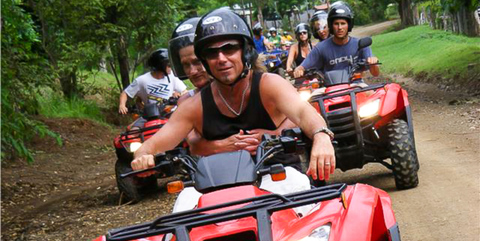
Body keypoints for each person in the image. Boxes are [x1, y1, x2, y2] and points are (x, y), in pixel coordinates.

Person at [132, 8, 335, 186]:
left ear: (245, 52)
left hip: (279, 175)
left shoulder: (268, 84)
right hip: (217, 188)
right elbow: (156, 144)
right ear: (206, 61)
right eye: (212, 53)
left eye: (229, 48)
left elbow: (302, 112)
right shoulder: (195, 105)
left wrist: (321, 135)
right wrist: (142, 156)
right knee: (183, 209)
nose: (221, 59)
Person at [294, 2, 379, 79]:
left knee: (375, 95)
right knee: (310, 96)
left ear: (349, 25)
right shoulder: (320, 48)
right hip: (329, 90)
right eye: (336, 24)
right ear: (331, 26)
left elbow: (375, 74)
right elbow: (302, 67)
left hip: (356, 86)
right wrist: (299, 70)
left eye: (343, 23)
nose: (340, 28)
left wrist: (373, 63)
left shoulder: (360, 44)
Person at [118, 49, 187, 125]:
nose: (171, 67)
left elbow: (185, 91)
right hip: (149, 116)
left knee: (186, 129)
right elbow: (125, 93)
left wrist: (180, 96)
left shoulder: (172, 77)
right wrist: (122, 105)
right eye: (169, 65)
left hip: (170, 114)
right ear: (160, 65)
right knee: (132, 132)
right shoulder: (142, 80)